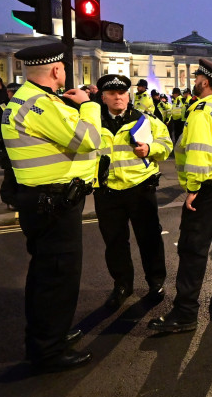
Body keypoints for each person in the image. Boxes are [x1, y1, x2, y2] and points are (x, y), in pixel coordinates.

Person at [1, 42, 101, 371]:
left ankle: (49, 335)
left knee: (47, 274)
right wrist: (88, 105)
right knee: (57, 278)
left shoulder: (26, 99)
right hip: (53, 203)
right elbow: (87, 139)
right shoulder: (40, 104)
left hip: (44, 200)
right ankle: (48, 351)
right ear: (56, 70)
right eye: (61, 69)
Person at [149, 59, 212, 333]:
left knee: (193, 248)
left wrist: (193, 189)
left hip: (210, 188)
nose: (194, 82)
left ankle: (185, 314)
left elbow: (199, 153)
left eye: (196, 79)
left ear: (204, 82)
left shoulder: (203, 111)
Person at [93, 74, 171, 310]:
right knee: (115, 242)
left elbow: (166, 146)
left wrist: (150, 148)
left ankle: (156, 282)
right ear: (104, 97)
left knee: (149, 238)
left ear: (128, 96)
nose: (118, 98)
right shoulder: (92, 123)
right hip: (107, 190)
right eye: (112, 94)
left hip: (140, 188)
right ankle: (122, 285)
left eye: (122, 93)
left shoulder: (147, 120)